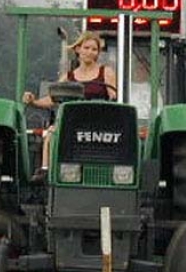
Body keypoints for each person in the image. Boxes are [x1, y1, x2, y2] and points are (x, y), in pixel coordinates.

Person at [22, 32, 117, 174]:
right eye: (86, 48)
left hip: (99, 122)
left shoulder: (106, 72)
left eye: (94, 49)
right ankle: (46, 171)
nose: (90, 52)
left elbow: (113, 97)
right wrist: (33, 101)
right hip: (73, 122)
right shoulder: (68, 77)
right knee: (51, 135)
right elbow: (52, 99)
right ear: (78, 49)